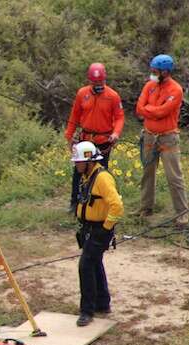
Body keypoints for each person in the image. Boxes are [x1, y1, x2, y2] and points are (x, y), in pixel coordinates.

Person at [72, 141, 124, 327]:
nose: (76, 165)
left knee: (85, 265)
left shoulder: (102, 178)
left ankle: (87, 310)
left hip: (99, 229)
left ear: (89, 161)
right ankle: (102, 303)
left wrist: (106, 228)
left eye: (78, 162)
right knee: (94, 263)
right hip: (90, 228)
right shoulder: (89, 175)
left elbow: (116, 205)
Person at [135, 54, 189, 227]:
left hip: (168, 138)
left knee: (174, 176)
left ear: (165, 72)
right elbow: (139, 108)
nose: (152, 72)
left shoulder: (176, 90)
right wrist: (150, 109)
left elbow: (161, 112)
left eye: (155, 70)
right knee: (147, 172)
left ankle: (182, 213)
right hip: (149, 135)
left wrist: (148, 109)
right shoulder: (149, 86)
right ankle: (145, 208)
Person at [65, 62, 124, 212]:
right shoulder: (82, 94)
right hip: (85, 140)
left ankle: (101, 203)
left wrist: (115, 133)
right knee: (79, 172)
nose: (98, 84)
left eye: (100, 82)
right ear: (89, 81)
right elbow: (74, 116)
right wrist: (69, 136)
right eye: (94, 82)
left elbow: (119, 117)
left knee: (101, 173)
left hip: (103, 142)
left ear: (105, 80)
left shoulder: (112, 96)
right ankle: (75, 203)